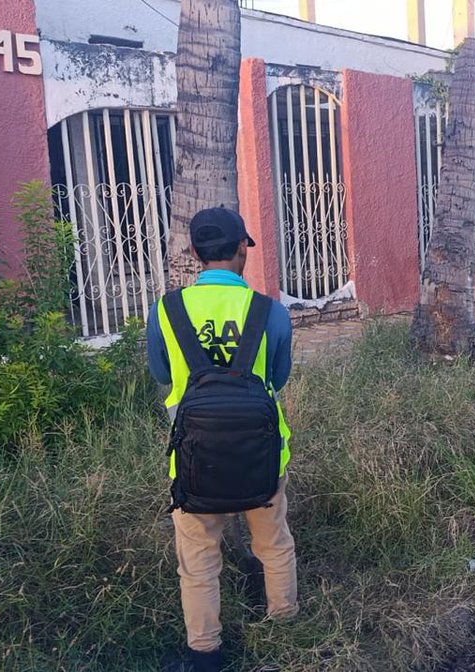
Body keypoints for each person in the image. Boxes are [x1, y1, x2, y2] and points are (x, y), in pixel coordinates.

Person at [146, 208, 297, 672]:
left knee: (198, 560)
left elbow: (161, 374)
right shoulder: (270, 311)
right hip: (264, 456)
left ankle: (205, 651)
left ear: (193, 253)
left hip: (193, 459)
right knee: (273, 544)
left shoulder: (166, 310)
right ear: (241, 250)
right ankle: (285, 626)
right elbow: (279, 377)